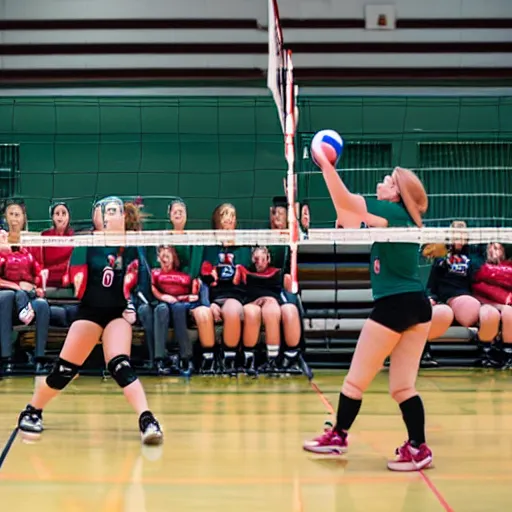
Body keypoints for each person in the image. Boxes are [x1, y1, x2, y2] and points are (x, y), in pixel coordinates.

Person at [303, 147, 433, 472]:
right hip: (417, 305)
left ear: (397, 194)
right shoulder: (390, 219)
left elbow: (346, 201)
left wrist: (325, 164)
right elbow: (348, 218)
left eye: (389, 181)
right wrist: (346, 217)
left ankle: (338, 436)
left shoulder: (393, 213)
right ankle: (419, 447)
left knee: (354, 382)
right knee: (403, 387)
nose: (382, 181)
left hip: (395, 306)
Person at [16, 196, 163, 445]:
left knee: (120, 365)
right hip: (90, 313)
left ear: (124, 218)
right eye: (102, 210)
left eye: (113, 211)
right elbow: (74, 280)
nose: (107, 214)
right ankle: (32, 410)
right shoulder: (88, 242)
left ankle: (147, 419)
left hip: (117, 315)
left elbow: (144, 284)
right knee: (65, 370)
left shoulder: (134, 245)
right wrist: (77, 278)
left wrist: (133, 303)